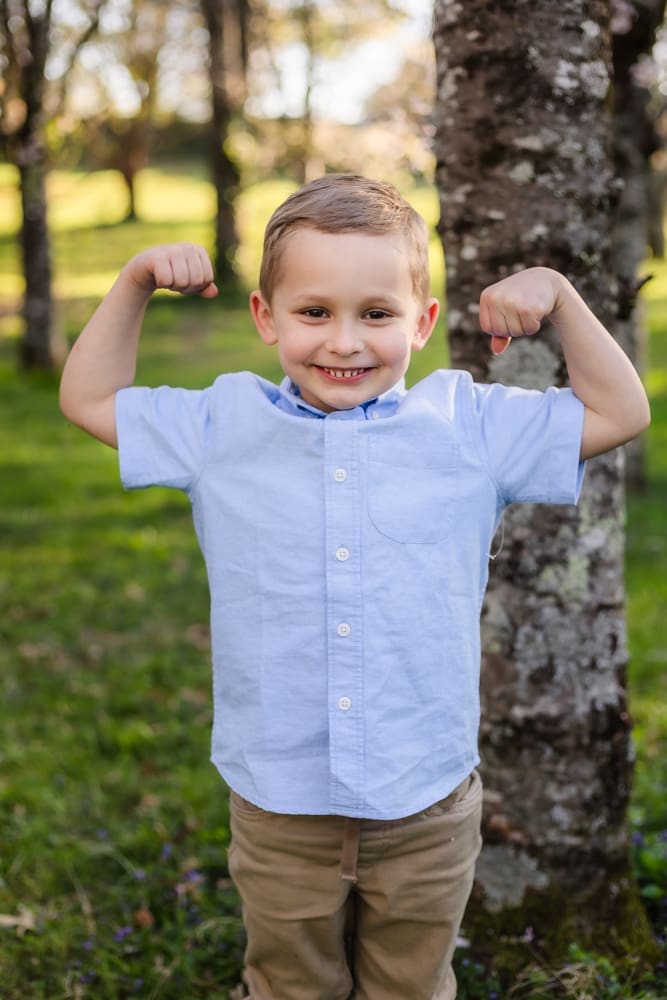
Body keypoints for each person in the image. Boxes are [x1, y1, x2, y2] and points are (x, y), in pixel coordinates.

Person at [59, 174, 650, 1000]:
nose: (344, 342)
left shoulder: (468, 425)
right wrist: (132, 284)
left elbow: (620, 412)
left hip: (425, 802)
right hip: (277, 802)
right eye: (313, 313)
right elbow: (87, 398)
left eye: (376, 314)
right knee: (287, 985)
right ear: (265, 317)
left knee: (411, 986)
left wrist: (558, 297)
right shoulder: (222, 427)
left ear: (423, 321)